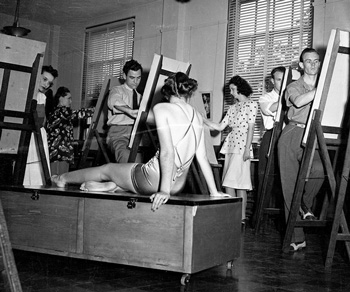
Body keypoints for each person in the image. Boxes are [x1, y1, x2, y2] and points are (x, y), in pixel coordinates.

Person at [51, 72, 229, 211]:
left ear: (167, 94)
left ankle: (62, 178)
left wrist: (164, 190)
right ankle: (114, 186)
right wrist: (214, 192)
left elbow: (168, 152)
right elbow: (203, 158)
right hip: (178, 184)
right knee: (122, 176)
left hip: (156, 179)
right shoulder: (197, 115)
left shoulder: (162, 108)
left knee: (107, 168)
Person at [277, 48, 324, 252]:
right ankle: (297, 237)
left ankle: (305, 204)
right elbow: (298, 101)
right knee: (289, 188)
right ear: (301, 65)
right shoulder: (294, 86)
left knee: (319, 171)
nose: (313, 64)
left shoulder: (327, 86)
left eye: (316, 61)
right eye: (308, 61)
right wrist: (321, 89)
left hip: (314, 135)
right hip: (292, 134)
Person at [203, 75, 258, 224]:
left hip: (242, 147)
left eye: (233, 90)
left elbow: (251, 128)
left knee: (235, 183)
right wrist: (202, 120)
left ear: (241, 88)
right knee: (233, 182)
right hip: (230, 146)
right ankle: (235, 217)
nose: (232, 93)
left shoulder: (252, 104)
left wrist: (247, 149)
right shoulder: (232, 108)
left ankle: (239, 217)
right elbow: (220, 127)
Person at [256, 67, 285, 218]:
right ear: (273, 81)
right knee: (265, 178)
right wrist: (287, 96)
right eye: (279, 80)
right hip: (271, 136)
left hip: (288, 136)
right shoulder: (265, 97)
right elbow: (270, 109)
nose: (283, 83)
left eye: (285, 79)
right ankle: (259, 218)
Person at [46, 87, 95, 176]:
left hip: (60, 154)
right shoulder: (61, 111)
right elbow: (78, 114)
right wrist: (93, 110)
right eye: (68, 98)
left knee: (59, 181)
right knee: (58, 181)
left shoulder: (56, 112)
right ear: (60, 98)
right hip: (59, 154)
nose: (71, 101)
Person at [23, 65, 58, 185]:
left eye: (50, 83)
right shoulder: (25, 93)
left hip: (38, 134)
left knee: (38, 171)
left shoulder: (42, 97)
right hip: (28, 134)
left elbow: (41, 121)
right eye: (44, 79)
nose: (46, 84)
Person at [107, 59, 143, 163]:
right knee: (125, 156)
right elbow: (114, 101)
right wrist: (130, 111)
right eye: (132, 78)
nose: (136, 81)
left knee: (139, 165)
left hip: (136, 133)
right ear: (124, 76)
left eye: (138, 78)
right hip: (118, 133)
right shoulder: (117, 90)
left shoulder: (141, 97)